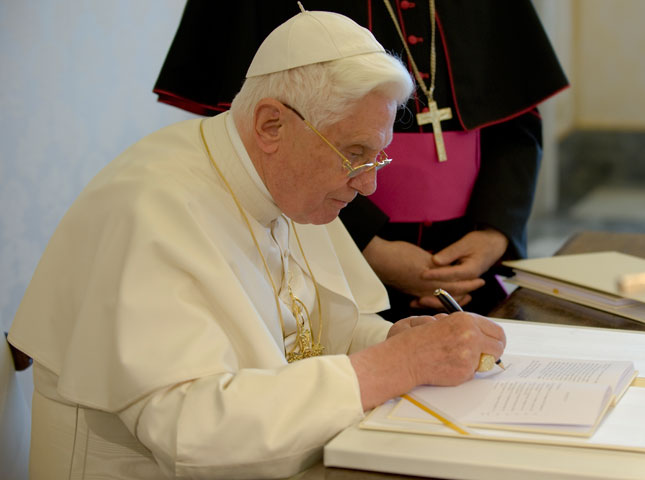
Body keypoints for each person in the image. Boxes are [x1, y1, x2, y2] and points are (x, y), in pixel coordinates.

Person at [8, 9, 506, 479]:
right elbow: (190, 433)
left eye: (376, 158)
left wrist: (395, 343)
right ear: (272, 124)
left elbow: (322, 330)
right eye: (355, 154)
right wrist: (397, 365)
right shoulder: (151, 207)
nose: (369, 186)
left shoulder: (290, 185)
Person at [153, 0, 569, 320]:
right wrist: (370, 249)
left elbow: (517, 121)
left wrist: (495, 232)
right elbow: (249, 138)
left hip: (471, 260)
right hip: (324, 248)